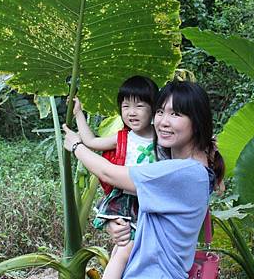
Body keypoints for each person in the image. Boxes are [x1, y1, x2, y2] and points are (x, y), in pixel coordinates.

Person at [63, 80, 225, 278]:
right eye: (160, 112)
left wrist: (76, 146)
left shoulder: (183, 172)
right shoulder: (195, 167)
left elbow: (109, 173)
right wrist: (115, 224)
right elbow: (150, 220)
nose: (163, 121)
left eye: (175, 114)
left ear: (197, 120)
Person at [72, 75, 159, 279]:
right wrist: (78, 115)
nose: (131, 112)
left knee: (131, 251)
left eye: (139, 105)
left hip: (152, 200)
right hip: (128, 200)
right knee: (124, 249)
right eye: (125, 106)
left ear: (154, 108)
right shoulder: (124, 137)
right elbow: (91, 141)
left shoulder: (162, 136)